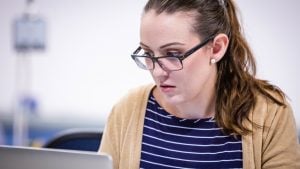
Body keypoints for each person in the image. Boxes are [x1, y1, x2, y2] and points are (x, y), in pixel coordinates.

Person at [99, 0, 300, 168]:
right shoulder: (127, 110)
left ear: (216, 48)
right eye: (148, 54)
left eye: (173, 54)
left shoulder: (269, 113)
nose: (157, 71)